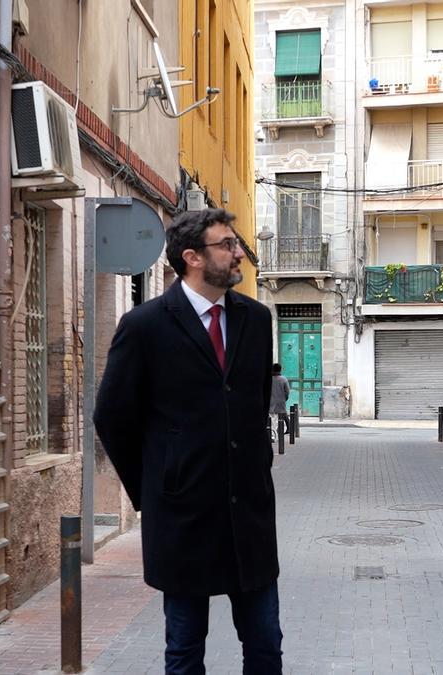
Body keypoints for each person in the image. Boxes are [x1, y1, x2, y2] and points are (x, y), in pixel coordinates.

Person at [94, 208, 282, 674]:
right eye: (227, 245)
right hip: (182, 517)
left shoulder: (256, 320)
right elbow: (112, 417)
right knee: (184, 649)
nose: (239, 253)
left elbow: (255, 404)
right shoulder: (144, 325)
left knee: (265, 645)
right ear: (193, 257)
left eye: (235, 243)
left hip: (248, 514)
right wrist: (155, 490)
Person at [269, 363, 290, 439]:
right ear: (280, 369)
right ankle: (278, 434)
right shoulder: (284, 379)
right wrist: (284, 399)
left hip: (271, 402)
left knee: (271, 420)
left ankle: (273, 435)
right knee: (280, 419)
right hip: (281, 402)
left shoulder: (269, 379)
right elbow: (287, 392)